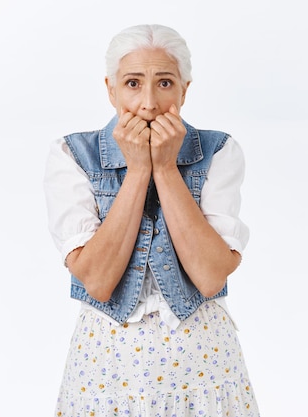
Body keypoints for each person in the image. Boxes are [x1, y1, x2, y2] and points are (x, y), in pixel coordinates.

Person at [43, 24, 260, 416]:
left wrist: (165, 168)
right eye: (132, 83)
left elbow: (211, 276)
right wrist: (139, 171)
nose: (148, 103)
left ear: (184, 90)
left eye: (164, 83)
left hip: (204, 367)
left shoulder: (220, 151)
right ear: (110, 90)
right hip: (106, 370)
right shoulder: (72, 155)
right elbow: (98, 281)